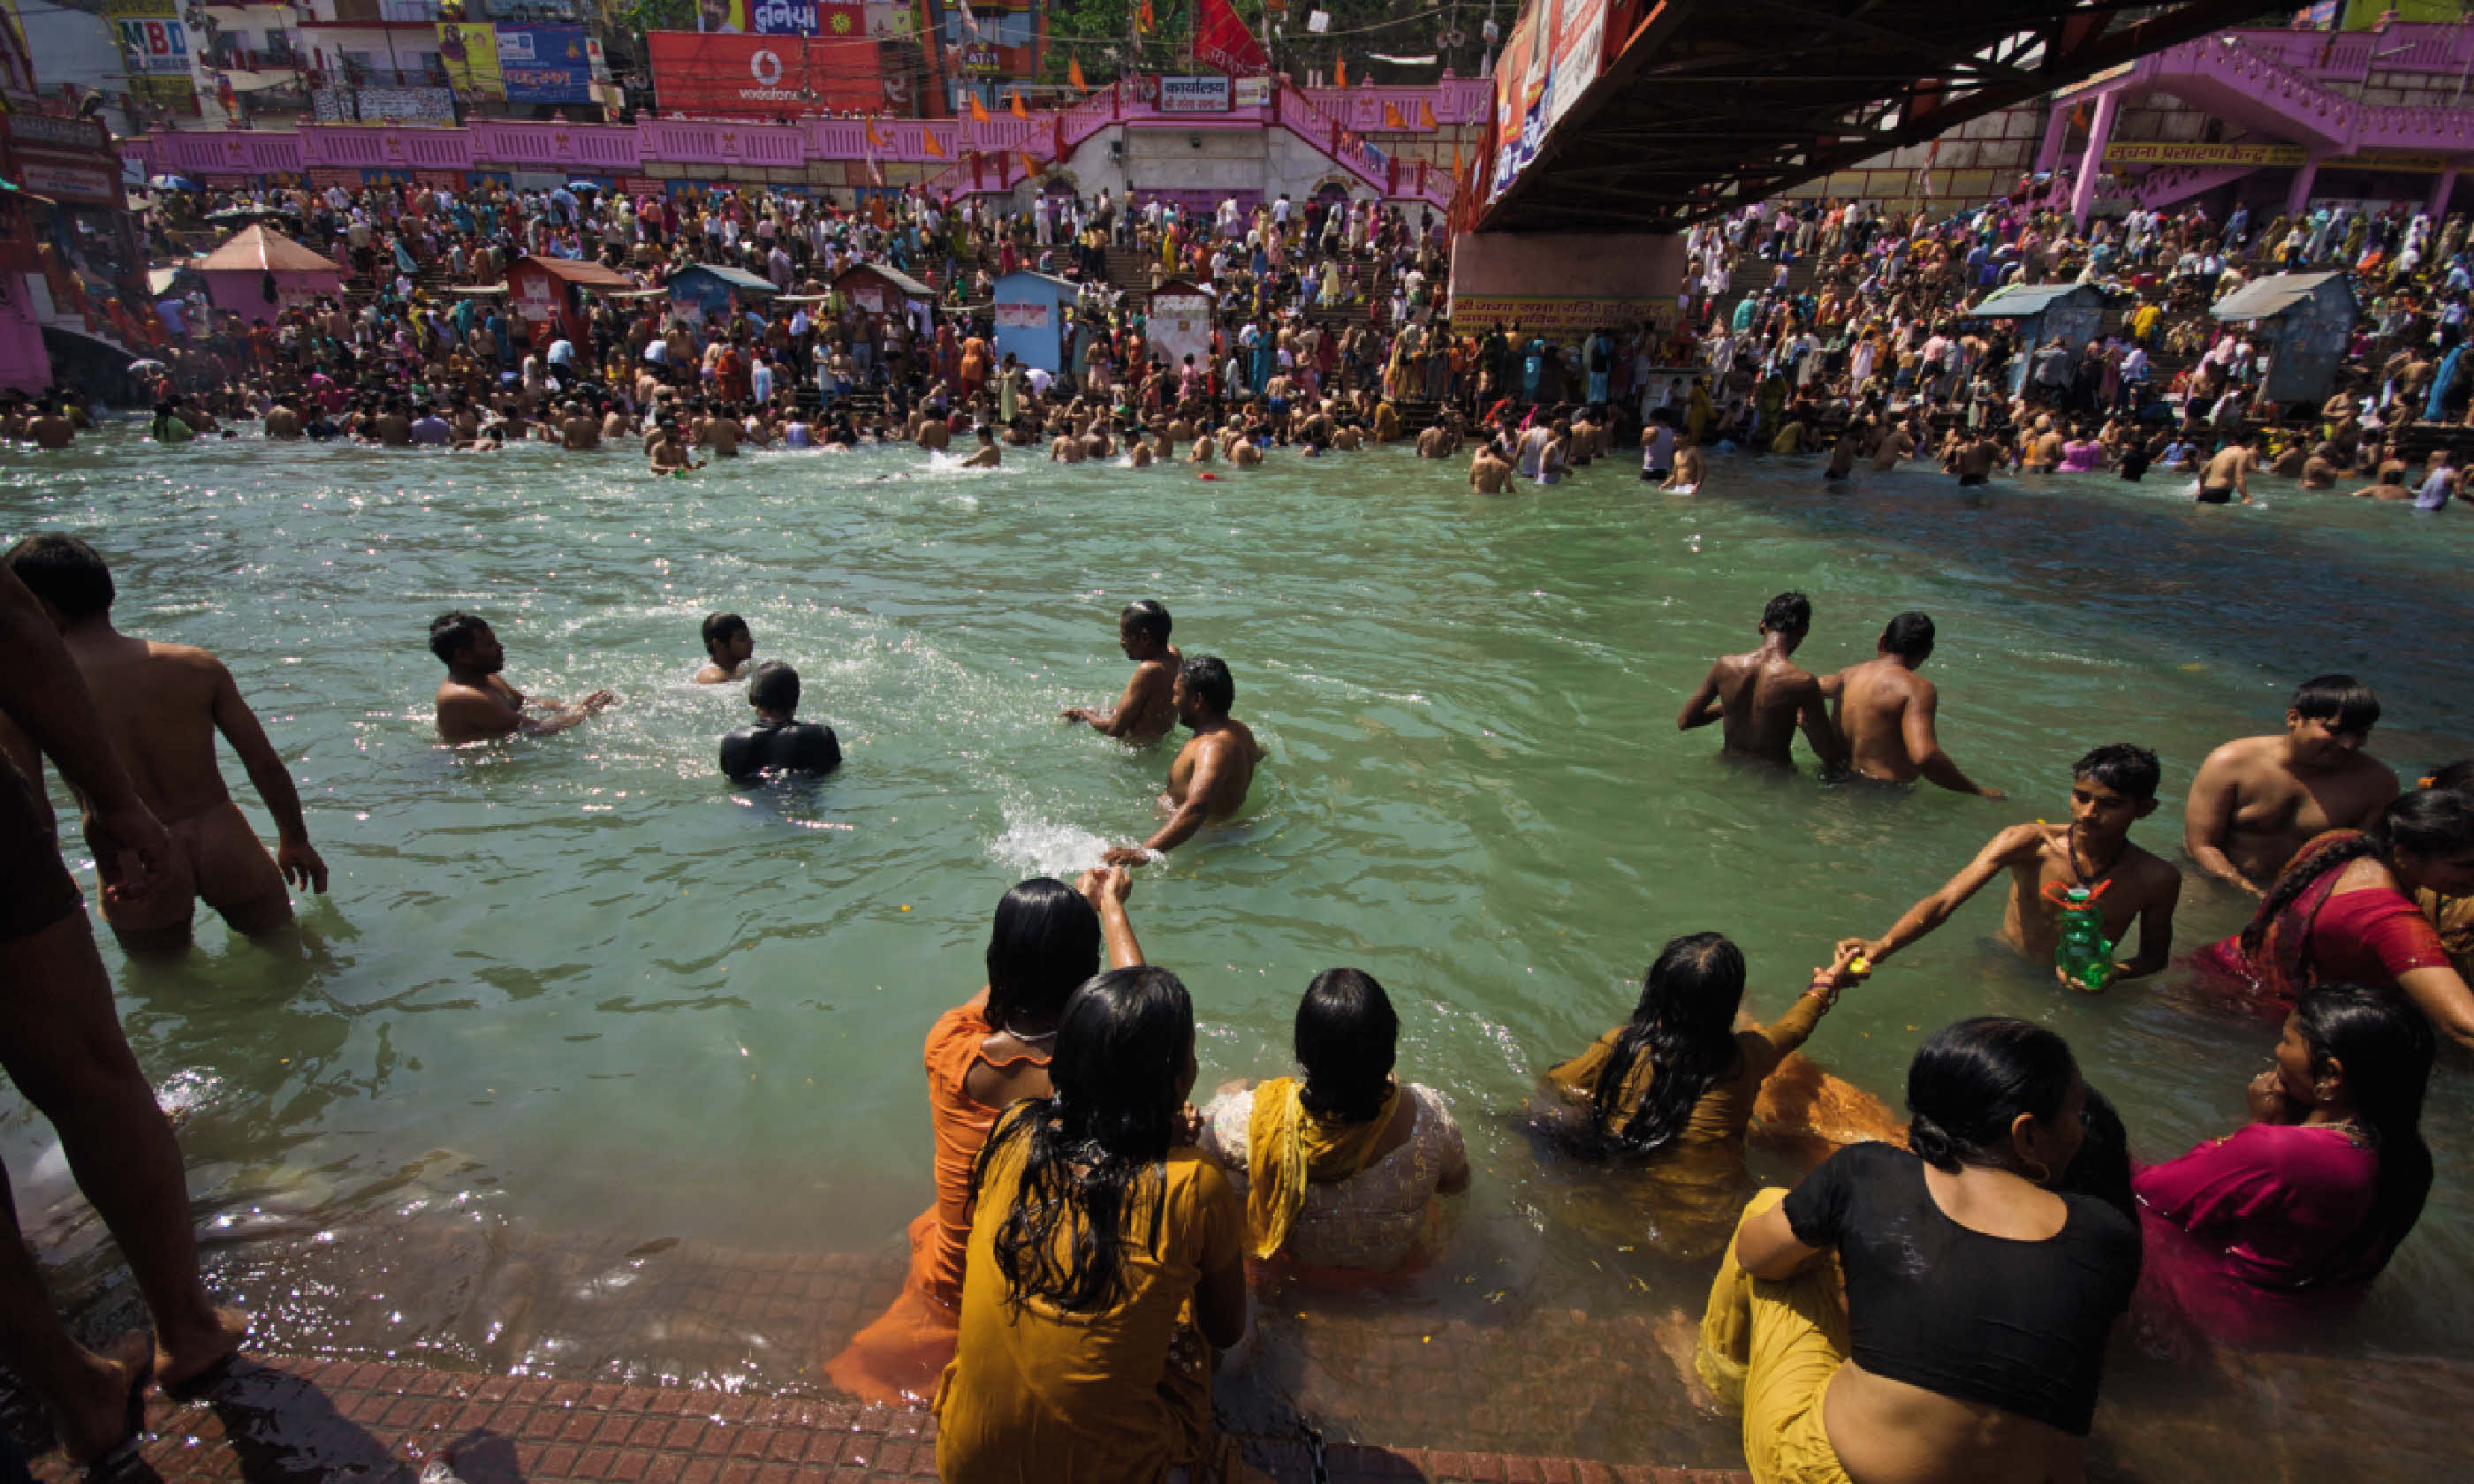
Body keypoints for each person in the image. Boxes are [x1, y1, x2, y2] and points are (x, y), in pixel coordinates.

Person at [0, 562, 249, 1465]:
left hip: (127, 886)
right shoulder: (189, 662)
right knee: (92, 1076)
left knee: (159, 988)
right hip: (217, 834)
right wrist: (115, 804)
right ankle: (186, 1326)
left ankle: (64, 1385)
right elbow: (13, 634)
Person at [1697, 1018, 2139, 1484]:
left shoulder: (1869, 1172)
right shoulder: (2108, 1234)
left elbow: (1755, 1256)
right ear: (2024, 1136)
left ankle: (1714, 1387)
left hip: (1835, 1472)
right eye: (2075, 1115)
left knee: (1767, 1213)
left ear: (2026, 1134)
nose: (2081, 1130)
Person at [827, 869, 1143, 1404]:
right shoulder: (1091, 1069)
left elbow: (1011, 988)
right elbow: (1143, 1006)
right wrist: (1110, 906)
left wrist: (1061, 914)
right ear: (1087, 977)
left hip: (951, 1277)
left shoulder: (949, 1046)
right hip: (1042, 1284)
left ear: (997, 963)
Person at [932, 965, 1252, 1484]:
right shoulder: (1195, 1183)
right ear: (1177, 1079)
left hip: (969, 1460)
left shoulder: (1015, 1130)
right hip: (1108, 1472)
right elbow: (1227, 1330)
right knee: (1197, 1321)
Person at [3, 535, 328, 955]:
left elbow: (32, 805)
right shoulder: (193, 664)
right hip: (224, 840)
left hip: (131, 860)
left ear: (35, 607)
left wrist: (50, 884)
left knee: (168, 993)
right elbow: (264, 764)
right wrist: (294, 838)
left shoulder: (28, 693)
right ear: (107, 590)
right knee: (290, 962)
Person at [2135, 982, 2433, 1344]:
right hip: (2307, 1318)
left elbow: (2152, 1193)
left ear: (2332, 1075)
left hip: (2222, 1312)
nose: (2276, 1050)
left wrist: (2257, 1129)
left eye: (2288, 1041)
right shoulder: (2412, 1157)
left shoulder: (2278, 1151)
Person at [1540, 935, 1886, 1247]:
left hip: (1606, 1212)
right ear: (1730, 1007)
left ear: (1655, 990)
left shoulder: (1620, 1045)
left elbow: (1556, 1084)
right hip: (1705, 1231)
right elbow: (1795, 1027)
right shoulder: (1747, 1056)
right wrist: (1825, 984)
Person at [1842, 745, 2182, 991]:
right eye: (2081, 797)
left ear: (2145, 809)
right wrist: (1882, 946)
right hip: (2004, 965)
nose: (2089, 812)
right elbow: (1945, 900)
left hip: (2081, 986)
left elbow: (2153, 959)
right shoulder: (2029, 842)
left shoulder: (2156, 879)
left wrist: (2113, 972)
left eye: (2110, 804)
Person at [1197, 969, 1469, 1276]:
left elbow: (1201, 1146)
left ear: (1303, 1052)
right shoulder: (1427, 1115)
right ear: (1389, 1049)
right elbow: (1456, 1184)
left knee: (1230, 1121)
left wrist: (1225, 1100)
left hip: (1296, 1266)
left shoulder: (1250, 1119)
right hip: (1389, 1264)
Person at [2191, 788, 2474, 1049]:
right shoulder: (2388, 919)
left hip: (2219, 970)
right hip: (2251, 1014)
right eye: (2464, 866)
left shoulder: (2337, 843)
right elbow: (2462, 1025)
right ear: (2403, 854)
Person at [2182, 675, 2397, 896]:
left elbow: (2363, 859)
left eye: (2360, 734)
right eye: (2334, 730)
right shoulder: (2231, 762)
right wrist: (2247, 891)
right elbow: (2201, 846)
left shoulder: (2377, 785)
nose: (2348, 744)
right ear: (2293, 718)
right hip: (2213, 880)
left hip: (2301, 897)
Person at [1104, 655, 1264, 866]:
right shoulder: (1240, 731)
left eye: (1177, 694)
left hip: (1199, 842)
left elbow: (1196, 809)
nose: (1173, 702)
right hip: (1212, 834)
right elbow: (1259, 754)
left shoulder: (1212, 747)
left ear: (1198, 701)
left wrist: (1142, 853)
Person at [1821, 612, 2003, 797]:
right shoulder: (1916, 689)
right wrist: (1977, 790)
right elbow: (1924, 757)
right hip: (1881, 794)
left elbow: (1808, 686)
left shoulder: (1845, 676)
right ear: (1928, 651)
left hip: (1835, 778)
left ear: (1881, 641)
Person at [1676, 591, 1844, 771]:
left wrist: (1728, 707)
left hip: (1727, 767)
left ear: (1761, 625)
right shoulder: (1802, 682)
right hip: (1774, 779)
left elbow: (1685, 721)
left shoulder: (1725, 666)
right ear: (1804, 631)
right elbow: (1827, 753)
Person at [429, 611, 616, 745]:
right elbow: (535, 730)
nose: (500, 647)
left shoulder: (486, 677)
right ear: (463, 656)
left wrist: (568, 707)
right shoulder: (463, 697)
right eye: (489, 644)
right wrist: (585, 711)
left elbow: (525, 703)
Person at [1060, 600, 1181, 745]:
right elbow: (1144, 709)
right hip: (1158, 744)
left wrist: (1085, 715)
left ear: (1145, 638)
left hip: (1137, 752)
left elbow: (1115, 730)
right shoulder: (1174, 655)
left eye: (1124, 635)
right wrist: (1098, 712)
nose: (1121, 642)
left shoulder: (1149, 671)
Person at [717, 662, 839, 782]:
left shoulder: (732, 743)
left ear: (752, 699)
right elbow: (834, 774)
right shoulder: (820, 736)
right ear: (796, 699)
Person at [694, 611, 753, 684]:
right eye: (741, 639)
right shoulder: (714, 679)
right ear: (718, 644)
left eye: (749, 636)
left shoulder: (742, 668)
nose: (751, 642)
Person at [2197, 432, 2255, 504]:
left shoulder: (2223, 451)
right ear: (2249, 441)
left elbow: (2202, 473)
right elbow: (2239, 477)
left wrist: (2201, 490)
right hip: (2220, 492)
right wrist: (2245, 497)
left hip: (2206, 491)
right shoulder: (2242, 453)